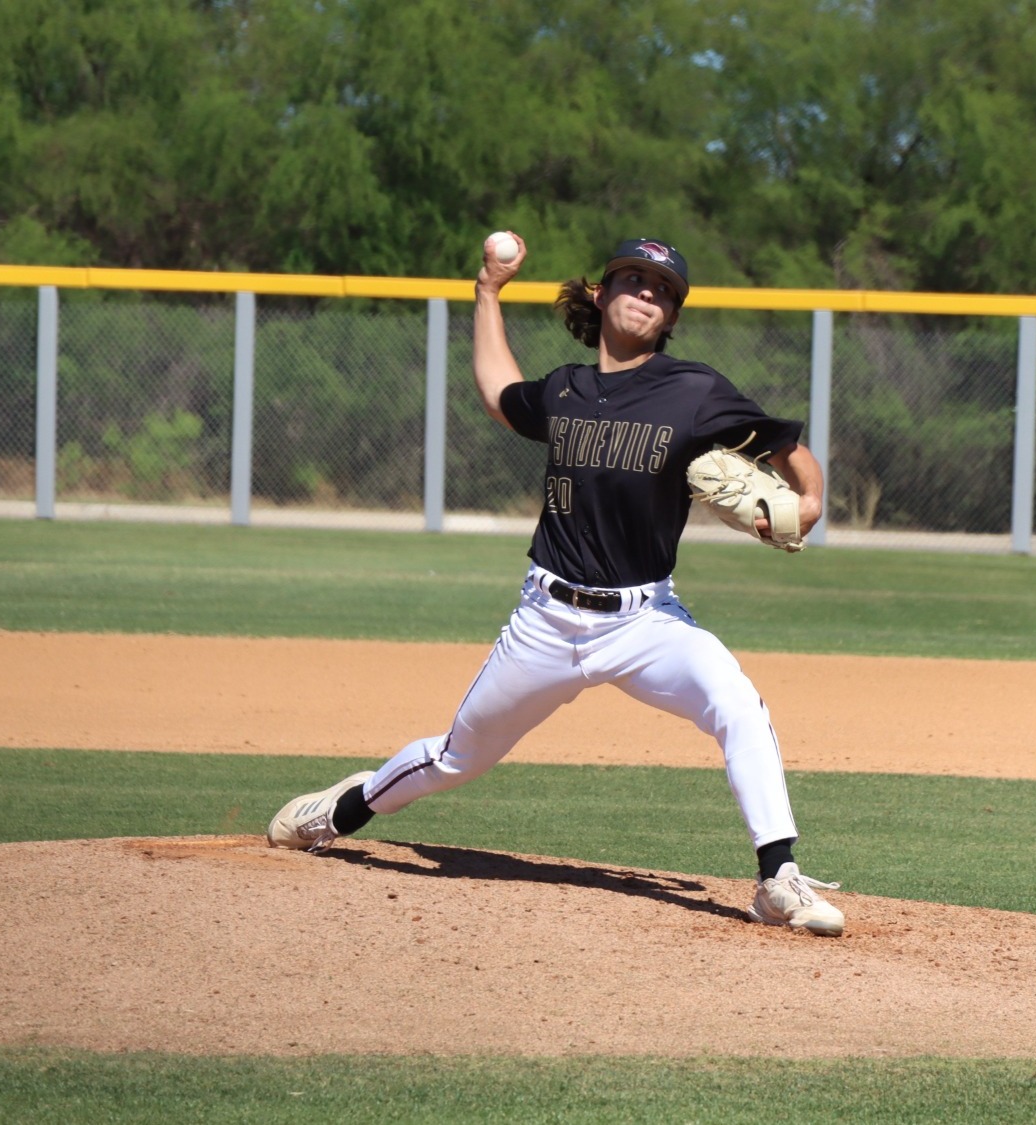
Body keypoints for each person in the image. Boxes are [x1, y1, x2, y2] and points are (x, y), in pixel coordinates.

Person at [267, 234, 845, 935]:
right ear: (600, 296)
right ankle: (338, 813)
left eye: (663, 289)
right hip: (545, 619)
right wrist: (487, 291)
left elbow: (785, 447)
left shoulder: (695, 391)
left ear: (671, 316)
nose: (647, 293)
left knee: (738, 704)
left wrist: (809, 499)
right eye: (633, 279)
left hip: (645, 621)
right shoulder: (566, 389)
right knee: (457, 757)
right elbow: (497, 393)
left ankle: (777, 876)